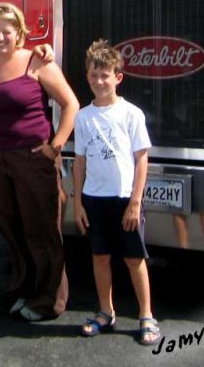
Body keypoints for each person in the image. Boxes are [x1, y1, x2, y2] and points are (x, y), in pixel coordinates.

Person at [0, 2, 78, 322]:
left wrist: (56, 145)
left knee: (42, 230)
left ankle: (49, 301)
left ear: (19, 33)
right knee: (11, 227)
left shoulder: (36, 61)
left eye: (7, 31)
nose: (0, 37)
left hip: (33, 157)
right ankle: (24, 290)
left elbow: (70, 103)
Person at [72, 39, 161, 345]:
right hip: (94, 199)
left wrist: (135, 202)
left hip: (124, 198)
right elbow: (80, 162)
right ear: (87, 77)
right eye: (94, 75)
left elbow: (141, 159)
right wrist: (77, 203)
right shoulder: (82, 117)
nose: (99, 81)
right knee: (100, 257)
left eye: (105, 75)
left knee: (134, 259)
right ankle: (105, 312)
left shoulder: (131, 114)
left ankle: (146, 315)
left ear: (117, 77)